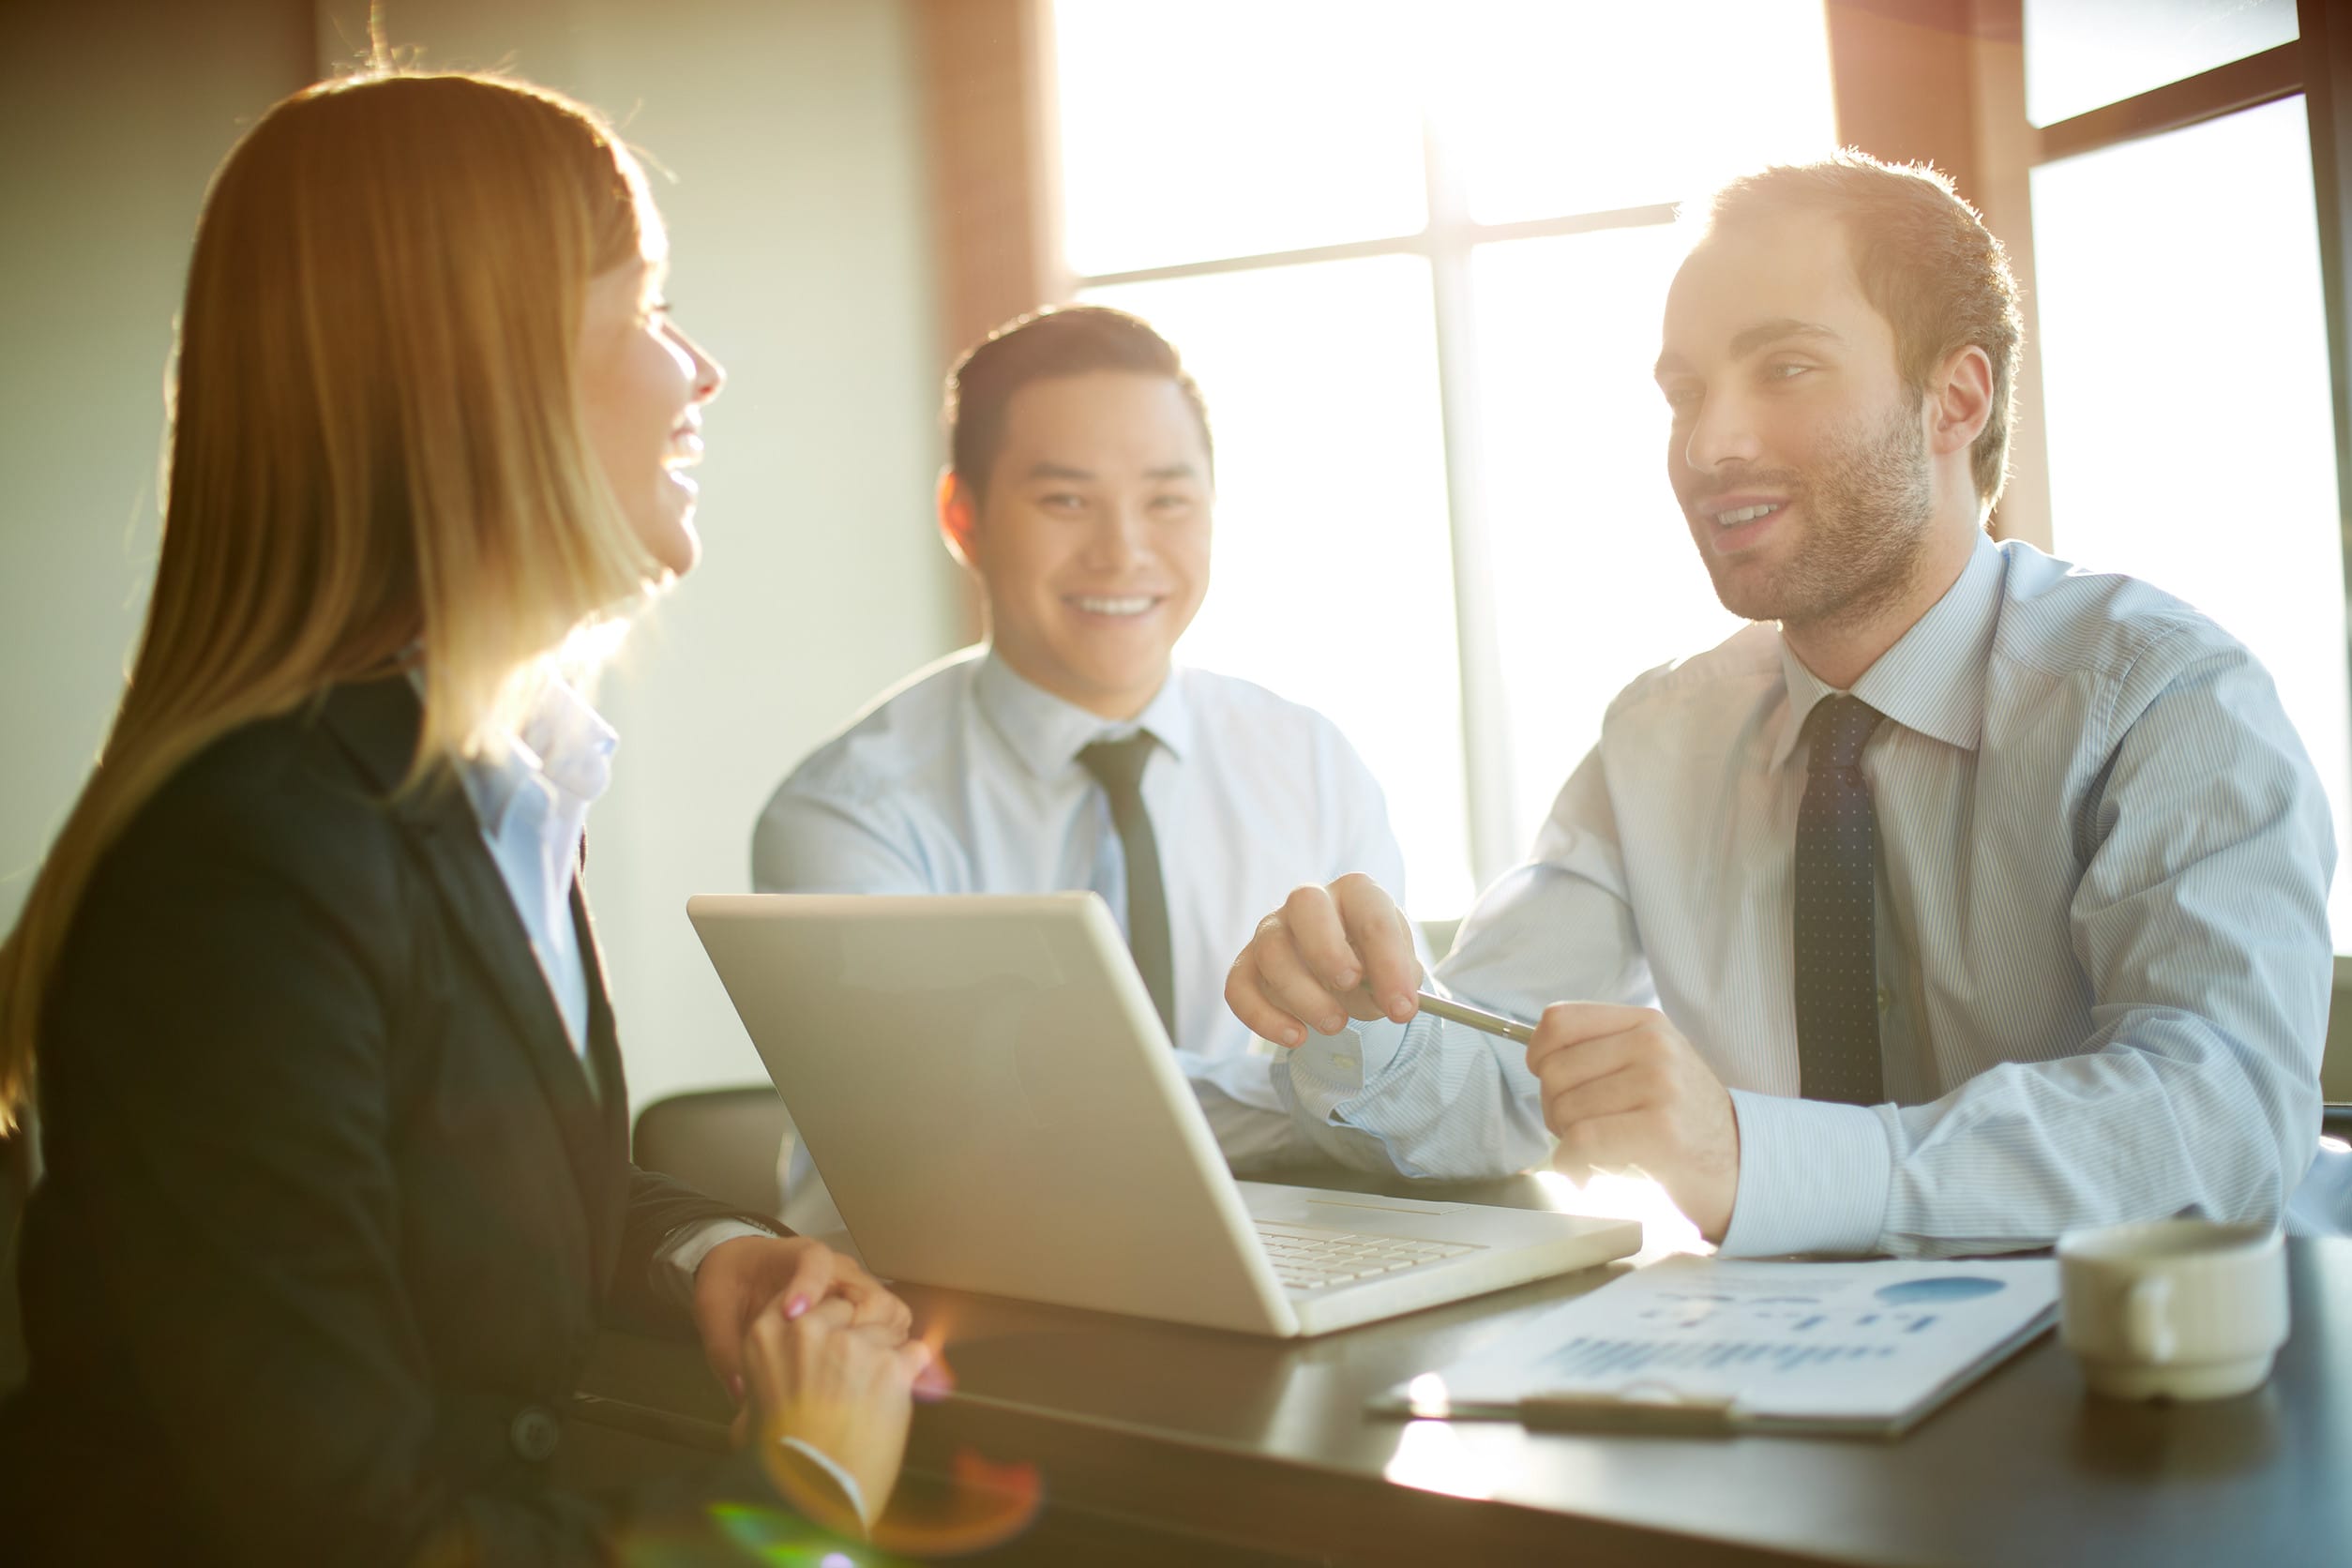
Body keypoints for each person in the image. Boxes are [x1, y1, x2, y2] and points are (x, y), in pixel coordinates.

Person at [0, 70, 931, 1562]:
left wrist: (709, 1253)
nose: (701, 370)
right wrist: (798, 1504)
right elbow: (353, 1534)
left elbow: (478, 1175)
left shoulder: (489, 790)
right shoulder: (244, 864)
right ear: (477, 378)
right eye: (646, 309)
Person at [1225, 152, 2337, 1259]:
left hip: (2167, 1381)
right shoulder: (1658, 737)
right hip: (1795, 1379)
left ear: (1955, 399)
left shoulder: (2163, 698)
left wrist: (1756, 1161)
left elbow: (2217, 1123)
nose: (1710, 445)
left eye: (1787, 368)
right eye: (1685, 393)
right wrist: (1358, 1026)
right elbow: (1497, 1070)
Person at [752, 306, 1411, 1237]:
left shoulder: (1311, 762)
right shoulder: (847, 812)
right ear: (962, 517)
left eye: (1167, 500)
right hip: (933, 1308)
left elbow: (1401, 1081)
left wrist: (1375, 1086)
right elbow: (978, 1128)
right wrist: (1317, 1099)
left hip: (1281, 1278)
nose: (1124, 551)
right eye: (1066, 500)